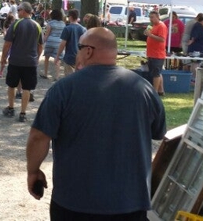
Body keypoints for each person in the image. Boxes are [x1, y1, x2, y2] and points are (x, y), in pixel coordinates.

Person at [26, 27, 166, 220]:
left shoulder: (64, 89)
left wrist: (33, 171)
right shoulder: (144, 88)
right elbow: (159, 132)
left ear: (89, 51)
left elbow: (39, 136)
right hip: (130, 203)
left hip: (75, 203)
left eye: (79, 48)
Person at [0, 2, 43, 122]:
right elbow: (40, 45)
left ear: (24, 11)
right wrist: (37, 57)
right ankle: (23, 112)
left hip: (16, 60)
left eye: (19, 10)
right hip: (31, 62)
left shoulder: (16, 24)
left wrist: (3, 58)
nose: (17, 12)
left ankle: (11, 107)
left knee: (11, 85)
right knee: (27, 88)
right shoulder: (37, 25)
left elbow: (7, 44)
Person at [54, 9, 86, 76]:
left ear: (70, 17)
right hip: (80, 57)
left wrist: (57, 56)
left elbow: (62, 44)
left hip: (69, 57)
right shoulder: (83, 29)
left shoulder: (67, 28)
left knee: (69, 79)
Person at [145, 10, 167, 95]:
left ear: (158, 17)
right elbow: (151, 35)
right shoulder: (152, 25)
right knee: (157, 72)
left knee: (156, 74)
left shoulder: (161, 26)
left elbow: (162, 39)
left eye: (152, 17)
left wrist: (150, 35)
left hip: (158, 54)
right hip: (151, 53)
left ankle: (154, 92)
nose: (151, 19)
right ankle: (161, 90)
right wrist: (148, 34)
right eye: (150, 17)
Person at [40, 9, 66, 81]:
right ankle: (57, 76)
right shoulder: (63, 24)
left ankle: (45, 73)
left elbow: (47, 34)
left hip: (50, 42)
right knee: (57, 60)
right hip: (59, 43)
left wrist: (43, 42)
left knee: (46, 58)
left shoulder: (50, 23)